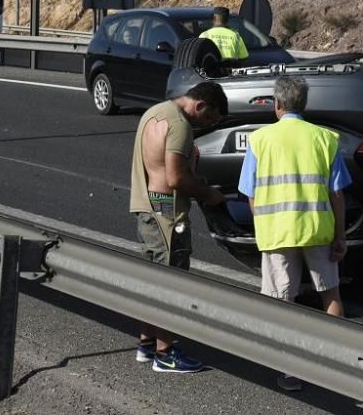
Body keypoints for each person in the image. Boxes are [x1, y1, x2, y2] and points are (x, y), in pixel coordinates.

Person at [237, 76, 350, 392]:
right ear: (305, 104)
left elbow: (251, 193)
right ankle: (334, 364)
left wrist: (265, 223)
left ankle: (290, 370)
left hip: (278, 233)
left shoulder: (260, 140)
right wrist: (340, 235)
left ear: (277, 105)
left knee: (282, 300)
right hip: (318, 229)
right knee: (330, 295)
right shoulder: (326, 139)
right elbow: (337, 194)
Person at [130, 81, 228, 373]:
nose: (205, 124)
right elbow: (175, 177)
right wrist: (207, 193)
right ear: (200, 106)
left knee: (153, 280)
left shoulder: (154, 112)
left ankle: (147, 344)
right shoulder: (180, 125)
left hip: (147, 204)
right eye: (209, 118)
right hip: (166, 211)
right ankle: (166, 353)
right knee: (171, 282)